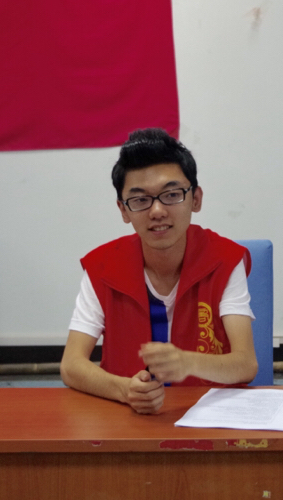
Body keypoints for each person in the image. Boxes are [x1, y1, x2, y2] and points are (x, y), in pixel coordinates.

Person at [61, 128, 258, 413]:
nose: (157, 211)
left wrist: (189, 362)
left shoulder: (224, 259)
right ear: (123, 210)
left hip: (207, 415)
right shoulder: (102, 267)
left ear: (196, 199)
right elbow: (71, 364)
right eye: (140, 200)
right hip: (128, 417)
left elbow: (246, 364)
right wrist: (124, 390)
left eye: (172, 194)